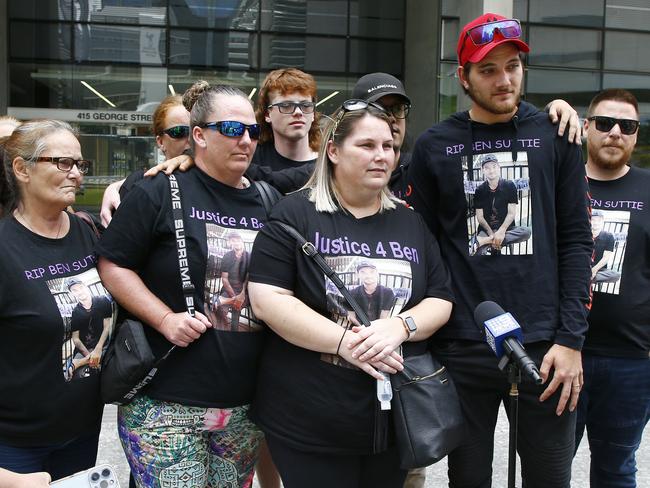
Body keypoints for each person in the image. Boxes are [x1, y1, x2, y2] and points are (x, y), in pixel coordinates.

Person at [407, 13, 592, 488]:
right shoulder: (434, 147)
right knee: (467, 478)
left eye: (512, 66)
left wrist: (571, 340)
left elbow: (576, 239)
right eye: (487, 70)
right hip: (462, 346)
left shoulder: (558, 136)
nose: (504, 80)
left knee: (549, 478)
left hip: (547, 347)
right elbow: (422, 249)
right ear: (462, 76)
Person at [247, 100, 454, 488]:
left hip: (391, 421)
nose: (382, 156)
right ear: (334, 151)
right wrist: (344, 342)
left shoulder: (410, 222)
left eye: (389, 146)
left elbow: (441, 299)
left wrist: (400, 326)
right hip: (309, 417)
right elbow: (268, 298)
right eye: (367, 145)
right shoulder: (295, 214)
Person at [97, 81, 278, 488]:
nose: (245, 140)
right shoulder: (158, 190)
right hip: (164, 404)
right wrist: (164, 319)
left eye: (253, 131)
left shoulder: (270, 199)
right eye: (232, 129)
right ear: (198, 135)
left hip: (244, 406)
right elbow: (113, 264)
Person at [0, 120, 114, 481]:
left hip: (82, 431)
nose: (76, 174)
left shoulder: (89, 231)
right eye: (64, 163)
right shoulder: (4, 247)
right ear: (22, 169)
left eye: (81, 165)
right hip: (14, 445)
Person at [576, 88, 650, 487]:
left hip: (632, 360)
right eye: (604, 123)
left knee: (617, 470)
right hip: (565, 353)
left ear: (636, 135)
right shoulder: (561, 185)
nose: (615, 132)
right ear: (587, 127)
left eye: (628, 126)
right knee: (548, 467)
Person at [99, 95, 192, 227]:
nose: (190, 139)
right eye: (179, 131)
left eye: (195, 131)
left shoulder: (219, 178)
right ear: (160, 142)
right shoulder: (140, 184)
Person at [253, 67, 320, 170]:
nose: (298, 112)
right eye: (286, 105)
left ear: (313, 115)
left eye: (306, 105)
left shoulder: (329, 162)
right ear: (267, 114)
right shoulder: (251, 159)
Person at [472, 153, 531, 255]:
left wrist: (501, 231)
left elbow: (511, 213)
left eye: (494, 166)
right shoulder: (479, 190)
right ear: (483, 170)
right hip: (486, 229)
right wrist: (491, 233)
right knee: (478, 253)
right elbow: (480, 218)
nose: (491, 170)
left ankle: (485, 241)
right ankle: (490, 241)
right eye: (487, 168)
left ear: (499, 167)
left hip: (506, 228)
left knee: (526, 232)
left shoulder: (509, 186)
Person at [67, 277, 113, 377]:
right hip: (84, 347)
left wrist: (98, 349)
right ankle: (80, 362)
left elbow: (107, 327)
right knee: (75, 374)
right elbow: (75, 338)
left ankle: (78, 363)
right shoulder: (76, 312)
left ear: (85, 287)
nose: (79, 291)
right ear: (72, 294)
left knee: (109, 361)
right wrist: (89, 356)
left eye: (81, 287)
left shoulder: (102, 301)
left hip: (102, 344)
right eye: (74, 290)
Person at [348, 261, 396, 327]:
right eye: (363, 272)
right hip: (357, 328)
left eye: (372, 272)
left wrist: (370, 330)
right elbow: (351, 316)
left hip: (378, 329)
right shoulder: (352, 293)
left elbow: (383, 318)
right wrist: (361, 328)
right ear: (358, 275)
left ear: (377, 273)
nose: (368, 275)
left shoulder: (387, 292)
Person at [589, 210, 621, 285]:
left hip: (599, 269)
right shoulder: (584, 234)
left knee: (616, 275)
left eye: (599, 220)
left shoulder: (609, 236)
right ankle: (587, 277)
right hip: (583, 266)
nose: (596, 223)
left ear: (602, 221)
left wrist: (594, 270)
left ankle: (585, 278)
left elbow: (606, 258)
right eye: (593, 220)